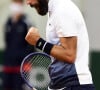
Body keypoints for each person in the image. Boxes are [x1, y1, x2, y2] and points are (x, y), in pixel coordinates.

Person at [25, 0, 95, 90]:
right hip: (64, 83)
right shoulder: (55, 10)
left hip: (74, 84)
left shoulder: (62, 9)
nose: (28, 2)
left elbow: (69, 55)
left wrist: (39, 42)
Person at [3, 0, 35, 90]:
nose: (15, 6)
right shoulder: (8, 22)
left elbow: (32, 44)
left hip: (22, 67)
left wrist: (27, 63)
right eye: (14, 3)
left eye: (18, 3)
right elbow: (7, 42)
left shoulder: (27, 22)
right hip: (8, 65)